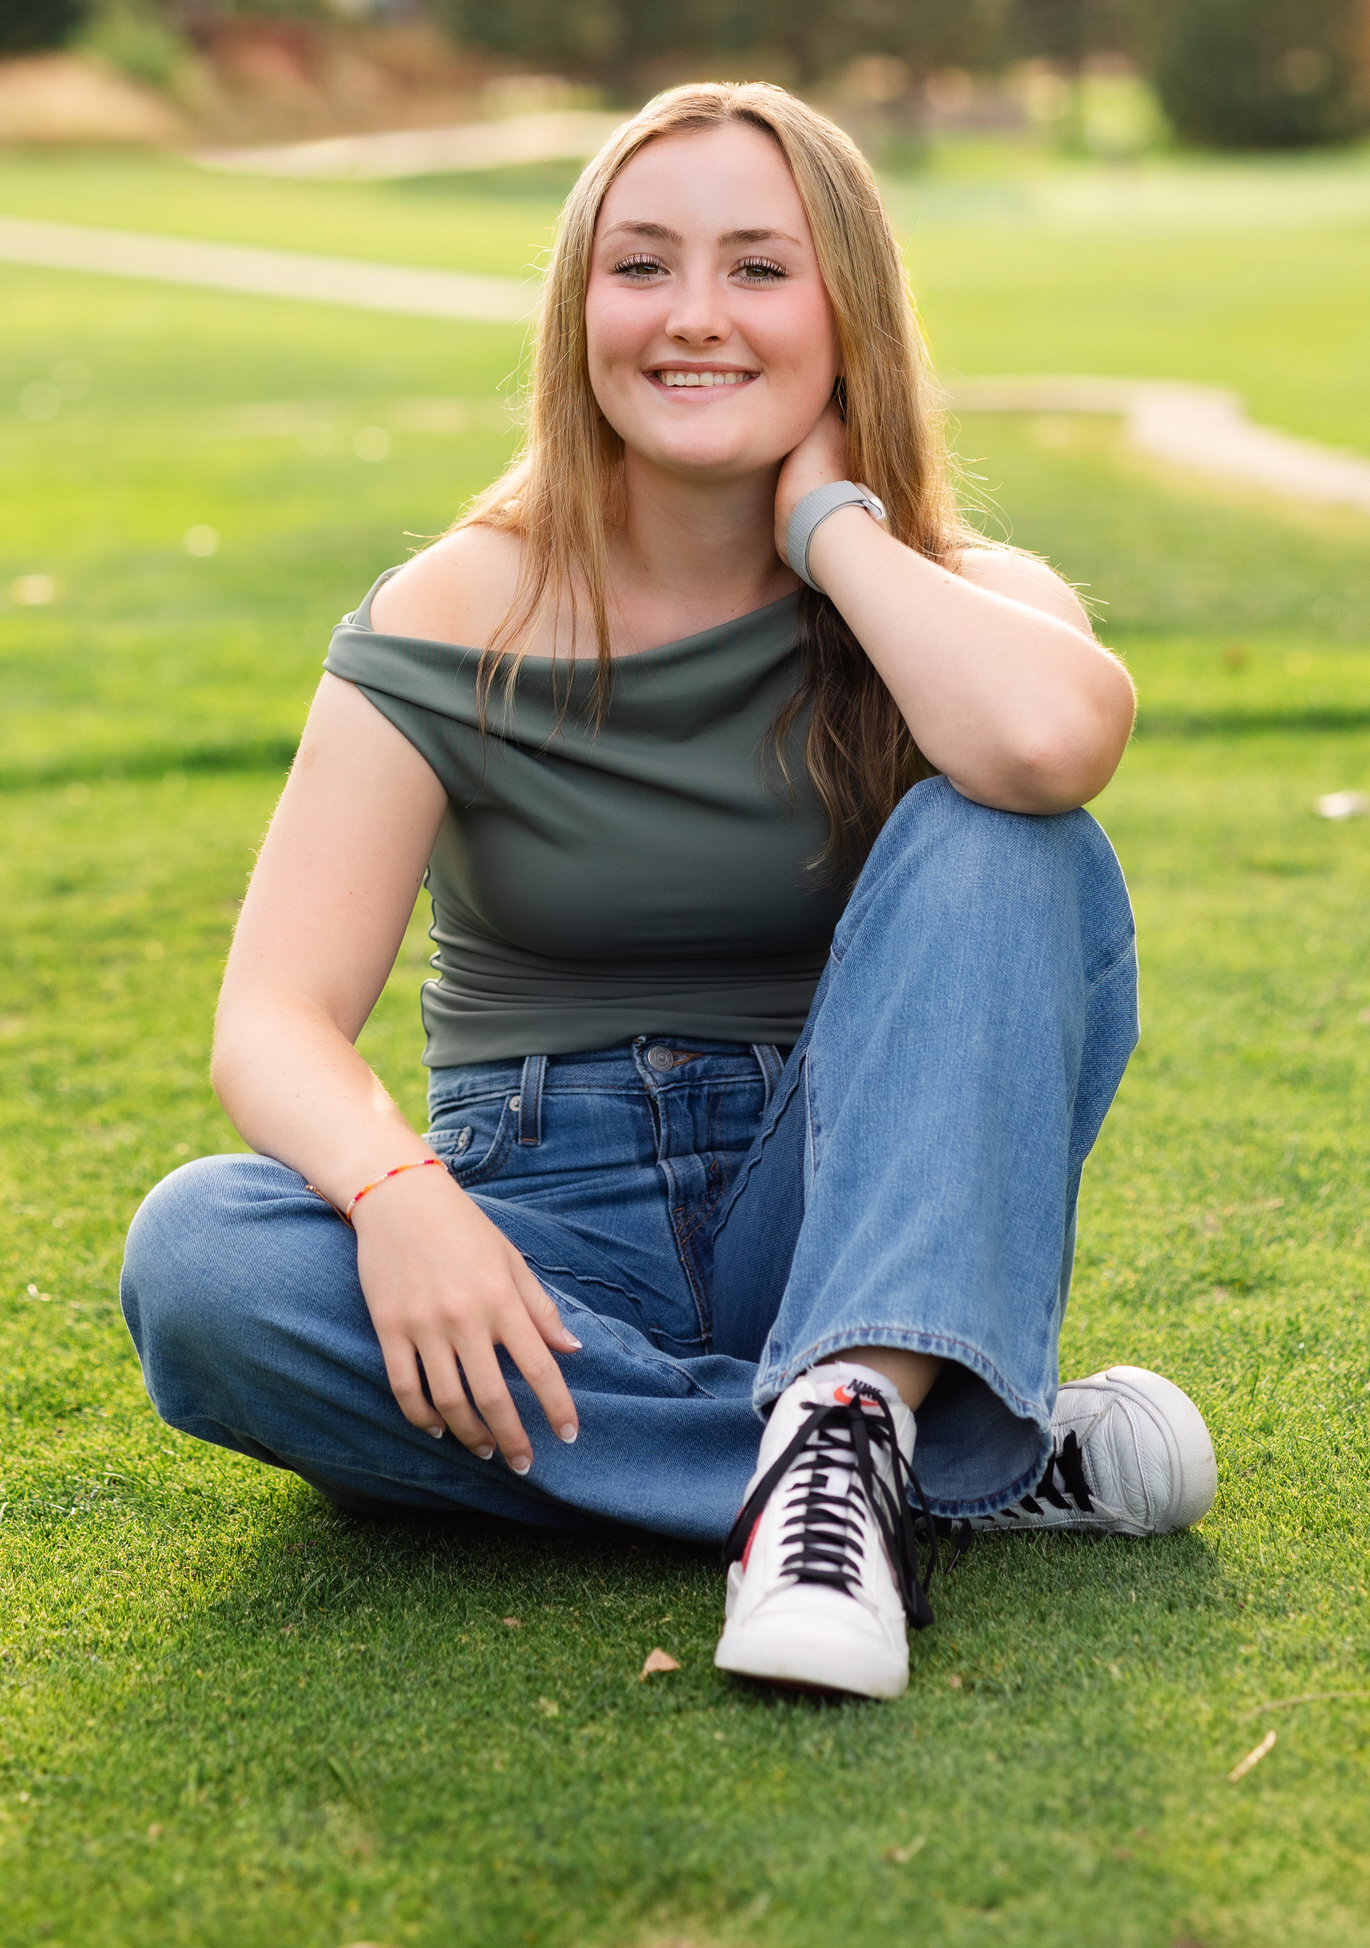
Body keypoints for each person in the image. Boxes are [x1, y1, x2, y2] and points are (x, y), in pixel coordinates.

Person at [121, 82, 1217, 1702]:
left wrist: (835, 528)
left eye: (758, 271)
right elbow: (272, 1017)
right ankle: (913, 1454)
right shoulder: (464, 600)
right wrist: (395, 1196)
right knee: (202, 1262)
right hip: (539, 1236)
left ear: (849, 308)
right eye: (642, 268)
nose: (693, 318)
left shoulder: (962, 600)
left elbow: (1052, 751)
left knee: (1004, 831)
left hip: (840, 1213)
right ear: (579, 312)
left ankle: (848, 1402)